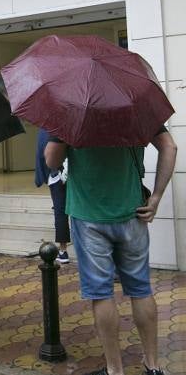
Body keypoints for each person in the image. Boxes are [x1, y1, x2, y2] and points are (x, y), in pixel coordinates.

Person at [45, 128, 176, 375]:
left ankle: (115, 370)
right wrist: (156, 196)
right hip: (133, 213)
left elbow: (51, 160)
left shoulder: (73, 112)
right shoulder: (134, 107)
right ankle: (153, 366)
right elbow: (170, 146)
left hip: (88, 216)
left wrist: (63, 135)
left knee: (101, 294)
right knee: (141, 289)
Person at [35, 128, 70, 263]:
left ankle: (63, 250)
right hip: (76, 174)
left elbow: (42, 155)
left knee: (60, 212)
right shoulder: (75, 123)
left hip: (56, 176)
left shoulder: (46, 129)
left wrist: (42, 176)